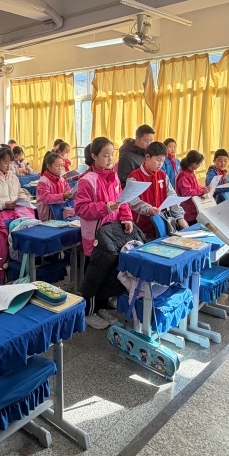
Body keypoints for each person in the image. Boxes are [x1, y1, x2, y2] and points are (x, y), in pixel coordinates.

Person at [74, 137, 133, 328]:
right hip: (95, 236)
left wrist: (126, 218)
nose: (110, 159)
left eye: (112, 155)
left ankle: (100, 307)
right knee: (94, 274)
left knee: (107, 273)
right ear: (94, 156)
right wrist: (105, 207)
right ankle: (87, 312)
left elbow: (122, 201)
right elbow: (81, 208)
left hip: (112, 234)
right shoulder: (87, 180)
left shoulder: (113, 177)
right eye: (106, 155)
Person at [0, 146, 34, 280]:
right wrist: (4, 203)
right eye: (6, 162)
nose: (9, 166)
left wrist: (23, 198)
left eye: (10, 162)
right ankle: (0, 273)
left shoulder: (13, 177)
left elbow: (19, 192)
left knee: (29, 222)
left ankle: (23, 268)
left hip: (13, 214)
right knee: (1, 241)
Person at [126, 141, 188, 239]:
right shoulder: (135, 177)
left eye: (163, 161)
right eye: (158, 160)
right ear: (147, 157)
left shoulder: (163, 175)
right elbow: (131, 200)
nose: (160, 164)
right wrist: (148, 209)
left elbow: (172, 196)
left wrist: (179, 217)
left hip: (161, 224)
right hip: (141, 227)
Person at [37, 152, 75, 222]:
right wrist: (62, 196)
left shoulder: (61, 178)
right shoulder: (43, 181)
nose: (60, 168)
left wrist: (71, 192)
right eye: (57, 166)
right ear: (48, 166)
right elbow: (46, 198)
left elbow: (67, 188)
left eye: (61, 165)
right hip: (48, 213)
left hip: (60, 209)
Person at [175, 150, 210, 224]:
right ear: (194, 164)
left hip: (194, 208)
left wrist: (203, 188)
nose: (199, 166)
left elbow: (194, 187)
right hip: (187, 210)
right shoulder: (184, 175)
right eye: (199, 164)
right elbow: (186, 192)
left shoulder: (190, 173)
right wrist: (202, 191)